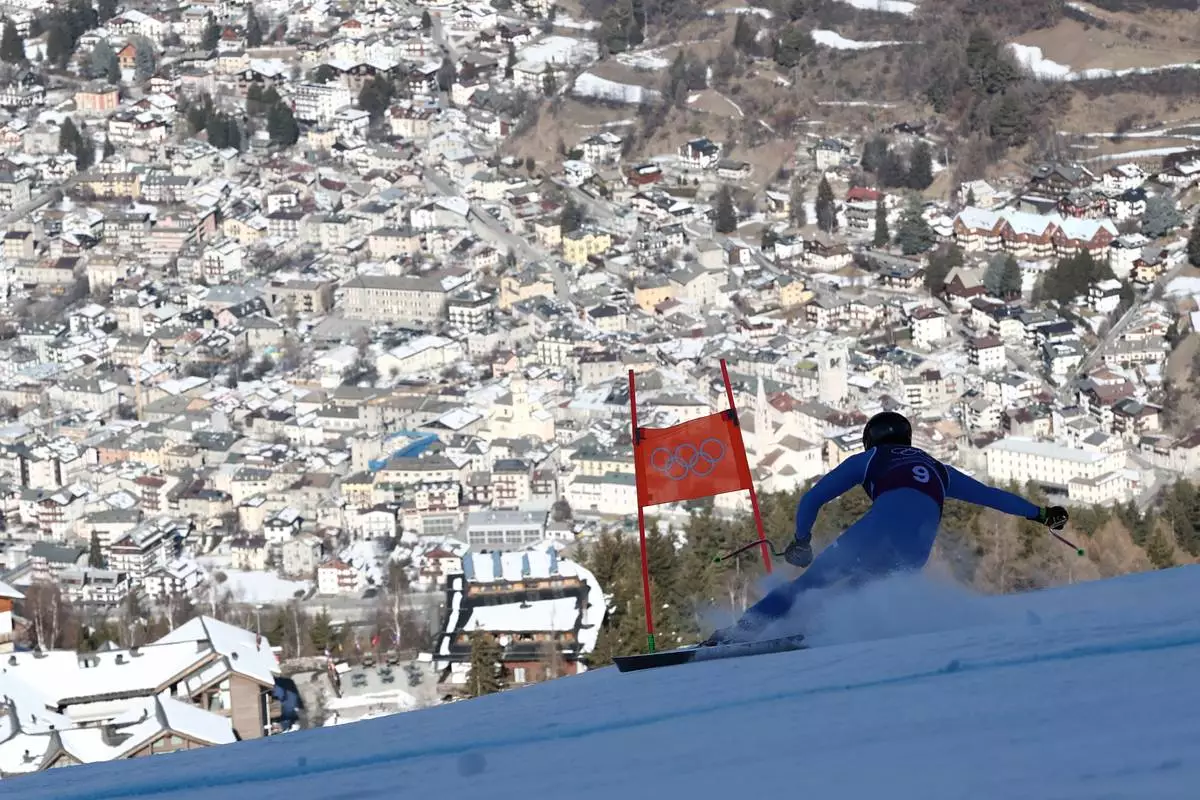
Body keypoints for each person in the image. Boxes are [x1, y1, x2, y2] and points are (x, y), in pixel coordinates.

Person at [703, 411, 1069, 646]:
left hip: (876, 532)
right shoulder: (938, 469)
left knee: (809, 585)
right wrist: (1040, 514)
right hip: (917, 550)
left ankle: (739, 634)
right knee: (864, 590)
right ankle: (833, 630)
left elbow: (812, 499)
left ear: (871, 439)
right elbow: (991, 496)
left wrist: (802, 541)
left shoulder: (871, 458)